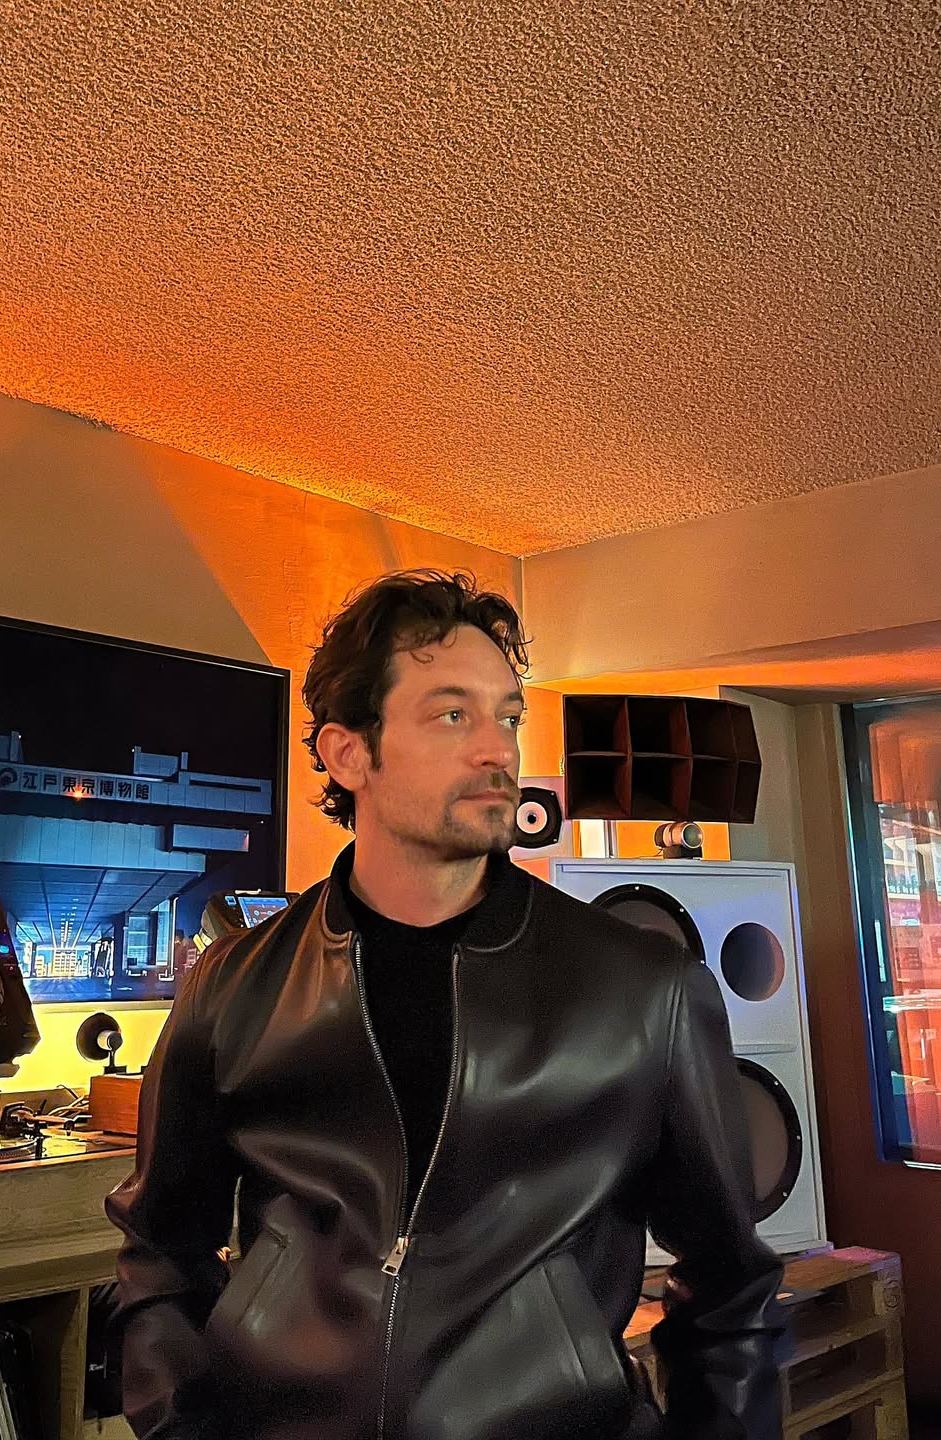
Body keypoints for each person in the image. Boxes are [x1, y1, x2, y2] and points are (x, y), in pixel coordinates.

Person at [106, 569, 784, 1440]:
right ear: (349, 754)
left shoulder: (645, 988)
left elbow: (731, 1289)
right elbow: (160, 1253)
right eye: (453, 715)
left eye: (508, 716)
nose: (497, 750)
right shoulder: (234, 986)